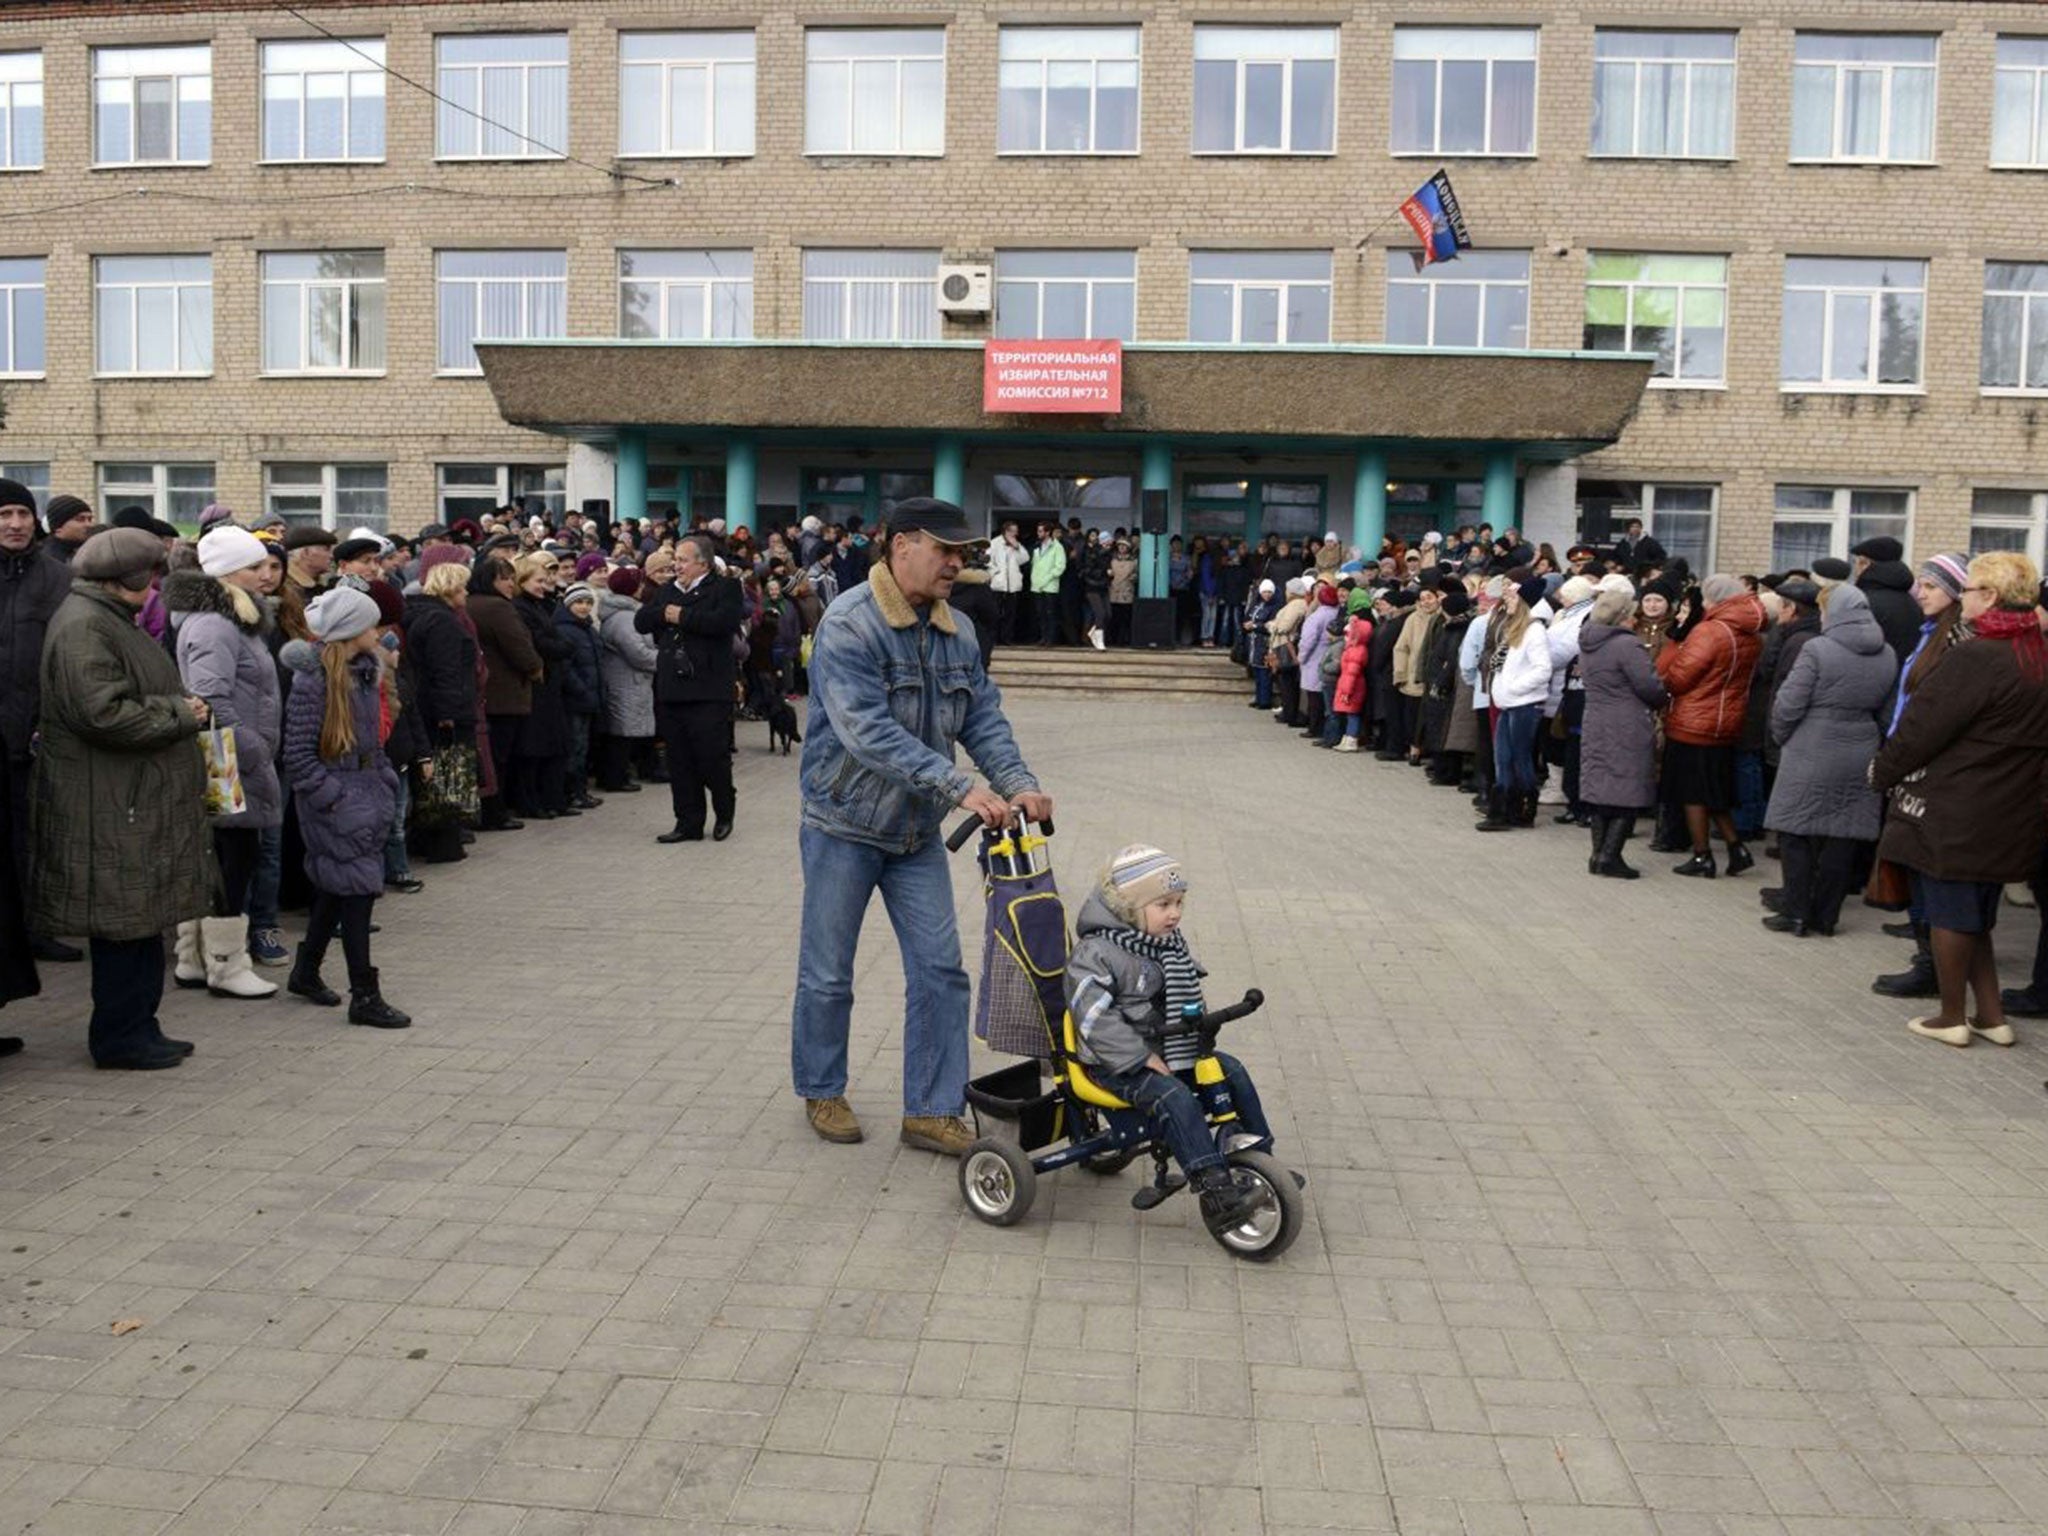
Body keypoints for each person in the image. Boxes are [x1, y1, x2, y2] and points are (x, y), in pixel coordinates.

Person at [791, 498, 1049, 1153]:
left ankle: (930, 1111)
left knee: (942, 972)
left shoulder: (957, 630)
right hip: (842, 826)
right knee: (828, 974)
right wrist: (961, 785)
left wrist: (1018, 783)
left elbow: (982, 719)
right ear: (901, 544)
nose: (958, 565)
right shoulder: (850, 624)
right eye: (946, 551)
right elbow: (866, 732)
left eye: (964, 554)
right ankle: (822, 1089)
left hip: (914, 838)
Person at [31, 528, 211, 1069]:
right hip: (110, 800)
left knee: (137, 921)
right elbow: (102, 714)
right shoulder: (86, 626)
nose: (156, 586)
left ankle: (141, 1026)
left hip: (127, 794)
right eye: (151, 577)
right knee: (123, 924)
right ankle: (120, 1037)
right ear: (128, 580)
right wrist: (183, 713)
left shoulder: (106, 619)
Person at [1873, 551, 2048, 1048]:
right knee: (1976, 918)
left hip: (1959, 806)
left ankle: (1951, 1017)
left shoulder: (1978, 655)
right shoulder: (2037, 653)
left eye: (1969, 589)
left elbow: (1922, 729)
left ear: (1989, 596)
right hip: (2010, 808)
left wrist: (1880, 772)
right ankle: (1992, 1017)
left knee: (1951, 913)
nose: (1963, 597)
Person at [1065, 845, 1268, 1234]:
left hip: (1167, 1047)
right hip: (1114, 1064)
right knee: (1174, 1097)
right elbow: (1093, 1018)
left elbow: (1186, 992)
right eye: (1163, 904)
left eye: (1178, 902)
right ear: (1129, 908)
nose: (1174, 913)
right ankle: (1215, 1189)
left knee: (1231, 1070)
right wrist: (1139, 1057)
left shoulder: (1165, 944)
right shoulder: (1096, 954)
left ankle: (1260, 1157)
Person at [164, 525, 284, 1000]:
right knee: (232, 860)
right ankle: (226, 964)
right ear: (226, 572)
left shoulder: (232, 617)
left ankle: (194, 958)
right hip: (223, 758)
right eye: (254, 567)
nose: (265, 574)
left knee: (224, 857)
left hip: (230, 753)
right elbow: (211, 696)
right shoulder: (214, 622)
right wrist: (251, 747)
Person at [281, 588, 411, 1029]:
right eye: (371, 625)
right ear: (351, 631)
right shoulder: (312, 681)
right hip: (338, 800)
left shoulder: (364, 674)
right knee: (357, 893)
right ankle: (365, 994)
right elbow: (297, 754)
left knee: (339, 886)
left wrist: (384, 777)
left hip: (367, 790)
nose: (378, 632)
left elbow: (373, 737)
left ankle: (306, 970)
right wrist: (333, 798)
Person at [1760, 585, 1895, 937]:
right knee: (1842, 835)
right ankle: (1826, 916)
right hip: (1860, 746)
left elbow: (1789, 702)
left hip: (1811, 743)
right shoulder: (1888, 653)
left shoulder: (1818, 648)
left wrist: (1781, 735)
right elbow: (1887, 713)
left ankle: (1795, 912)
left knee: (1795, 832)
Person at [0, 479, 76, 966]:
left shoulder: (56, 578)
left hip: (35, 733)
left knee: (34, 838)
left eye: (23, 514)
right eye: (5, 514)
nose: (15, 524)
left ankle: (35, 928)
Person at [635, 534, 743, 844]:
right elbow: (642, 621)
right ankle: (688, 822)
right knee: (679, 760)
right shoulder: (667, 591)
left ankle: (724, 811)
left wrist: (683, 616)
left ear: (703, 563)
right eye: (675, 560)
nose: (676, 565)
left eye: (682, 560)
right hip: (672, 687)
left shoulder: (725, 588)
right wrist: (664, 612)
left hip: (709, 688)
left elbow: (724, 623)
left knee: (711, 756)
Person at [1655, 574, 1765, 877]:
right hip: (1727, 719)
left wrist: (1664, 680)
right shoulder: (1750, 634)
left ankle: (1702, 855)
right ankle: (1735, 847)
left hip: (1694, 720)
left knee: (1693, 791)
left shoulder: (1709, 631)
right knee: (1714, 789)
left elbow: (1680, 678)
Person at [1575, 585, 1668, 877]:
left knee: (1601, 789)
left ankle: (1597, 854)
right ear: (1623, 616)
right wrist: (1663, 698)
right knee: (1628, 790)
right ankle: (1610, 857)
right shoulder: (1627, 645)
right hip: (1626, 722)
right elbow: (1649, 686)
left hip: (1596, 719)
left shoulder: (1589, 641)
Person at [400, 560, 480, 866]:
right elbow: (445, 671)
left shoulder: (423, 615)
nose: (467, 592)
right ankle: (442, 843)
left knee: (436, 776)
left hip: (431, 706)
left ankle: (431, 838)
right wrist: (449, 712)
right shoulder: (443, 622)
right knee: (447, 777)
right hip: (446, 711)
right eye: (462, 586)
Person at [468, 556, 542, 830]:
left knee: (490, 755)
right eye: (505, 578)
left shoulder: (471, 603)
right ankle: (495, 813)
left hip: (485, 693)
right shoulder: (498, 608)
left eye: (512, 578)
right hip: (504, 694)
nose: (511, 584)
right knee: (499, 757)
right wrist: (536, 668)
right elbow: (519, 646)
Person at [1475, 576, 1552, 831]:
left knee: (1520, 757)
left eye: (1511, 598)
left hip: (1524, 704)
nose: (1506, 601)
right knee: (1502, 756)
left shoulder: (1534, 631)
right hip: (1507, 703)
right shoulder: (1512, 630)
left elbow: (1543, 669)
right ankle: (1501, 809)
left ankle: (1524, 806)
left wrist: (1514, 688)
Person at [595, 567, 656, 793]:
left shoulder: (626, 613)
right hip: (626, 681)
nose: (642, 588)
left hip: (630, 680)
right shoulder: (624, 618)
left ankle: (617, 775)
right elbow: (637, 652)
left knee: (623, 729)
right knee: (621, 732)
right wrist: (664, 659)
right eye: (638, 585)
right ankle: (615, 777)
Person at [553, 583, 605, 811]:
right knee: (575, 747)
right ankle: (571, 792)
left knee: (582, 747)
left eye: (587, 603)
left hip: (589, 697)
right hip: (575, 699)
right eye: (579, 602)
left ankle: (580, 791)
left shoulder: (588, 629)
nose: (584, 607)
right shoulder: (565, 630)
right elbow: (566, 667)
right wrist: (581, 689)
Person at [1851, 534, 1924, 666]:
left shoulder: (1864, 602)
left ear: (1865, 564)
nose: (1855, 571)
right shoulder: (1912, 602)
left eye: (1856, 563)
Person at [1329, 589, 1373, 751]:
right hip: (1350, 684)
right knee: (1350, 714)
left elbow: (1352, 673)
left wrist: (1346, 691)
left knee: (1352, 714)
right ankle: (1347, 737)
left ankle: (1351, 739)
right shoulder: (1353, 648)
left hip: (1352, 687)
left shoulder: (1357, 651)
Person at [987, 521, 1028, 645]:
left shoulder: (1017, 544)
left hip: (1012, 585)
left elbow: (1025, 559)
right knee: (995, 612)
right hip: (998, 584)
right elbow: (988, 561)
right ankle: (994, 638)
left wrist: (1017, 548)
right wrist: (995, 572)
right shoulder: (994, 543)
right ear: (1006, 531)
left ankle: (1007, 639)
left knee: (1010, 614)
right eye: (1014, 531)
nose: (1016, 533)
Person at [1028, 521, 1064, 647]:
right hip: (1037, 586)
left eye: (1041, 531)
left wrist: (1048, 578)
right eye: (1038, 531)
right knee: (1040, 614)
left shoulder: (1057, 547)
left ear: (1048, 532)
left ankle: (1050, 639)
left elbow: (1060, 567)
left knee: (1050, 614)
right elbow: (1034, 564)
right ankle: (1043, 637)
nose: (1038, 533)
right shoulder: (1037, 546)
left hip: (1050, 586)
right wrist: (1035, 579)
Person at [40, 495, 94, 565]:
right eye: (80, 519)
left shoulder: (86, 551)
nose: (89, 525)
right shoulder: (50, 561)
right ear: (58, 527)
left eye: (90, 519)